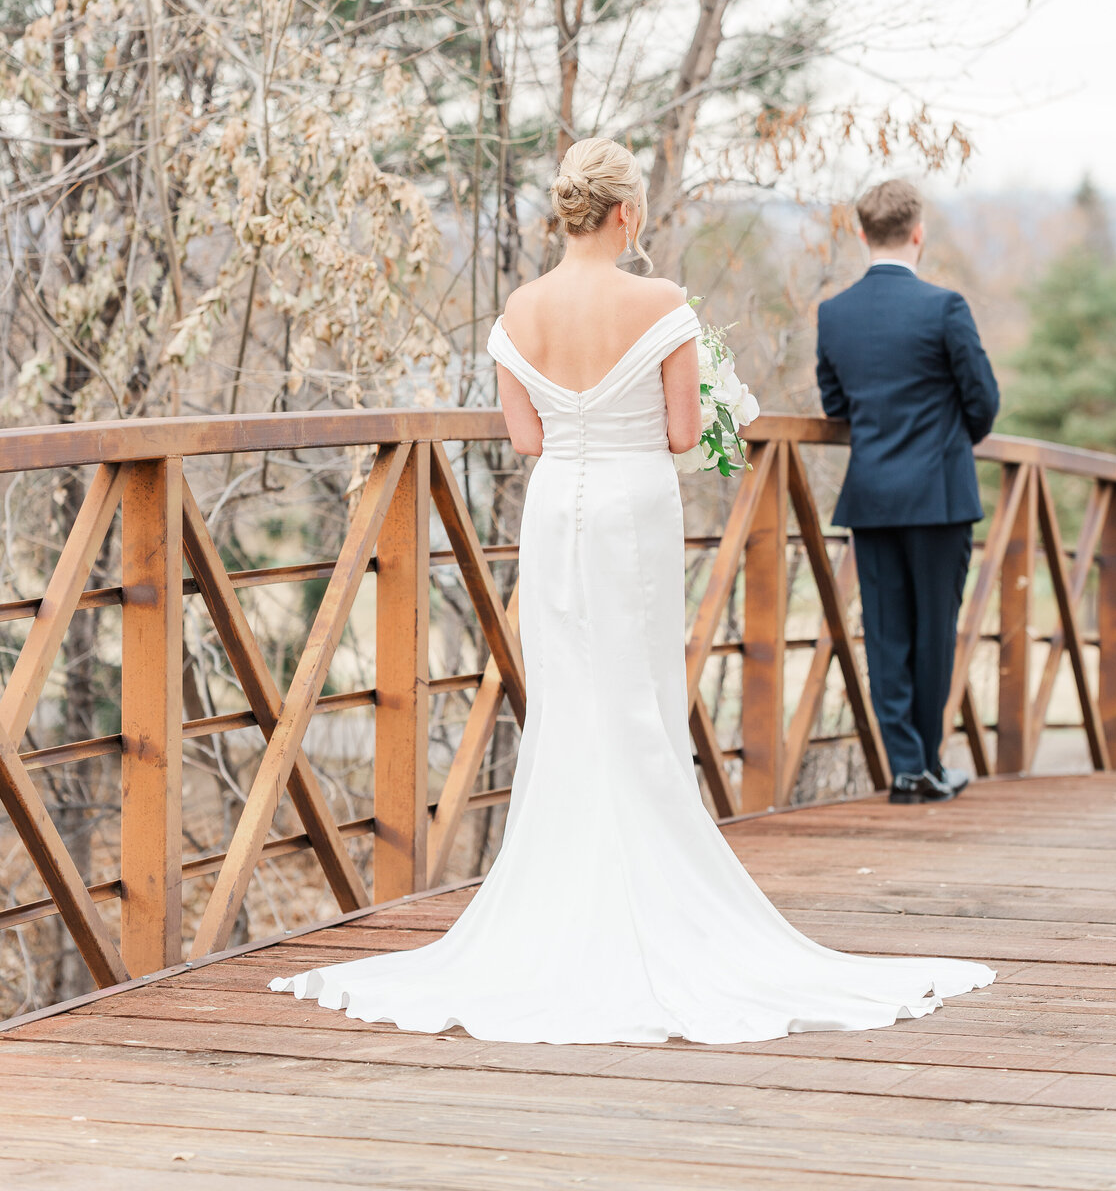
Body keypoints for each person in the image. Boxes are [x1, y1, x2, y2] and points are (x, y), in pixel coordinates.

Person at [271, 142, 992, 1041]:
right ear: (629, 217)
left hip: (557, 512)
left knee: (571, 696)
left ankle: (557, 900)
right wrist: (710, 403)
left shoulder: (521, 309)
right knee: (640, 697)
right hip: (633, 508)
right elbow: (686, 432)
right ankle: (652, 892)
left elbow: (526, 440)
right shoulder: (660, 304)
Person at [817, 179, 1000, 805]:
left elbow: (836, 404)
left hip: (871, 497)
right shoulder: (944, 307)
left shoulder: (834, 314)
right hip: (940, 497)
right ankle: (928, 763)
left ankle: (905, 769)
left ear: (862, 234)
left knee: (887, 635)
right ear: (918, 232)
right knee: (934, 633)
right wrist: (950, 441)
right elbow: (984, 402)